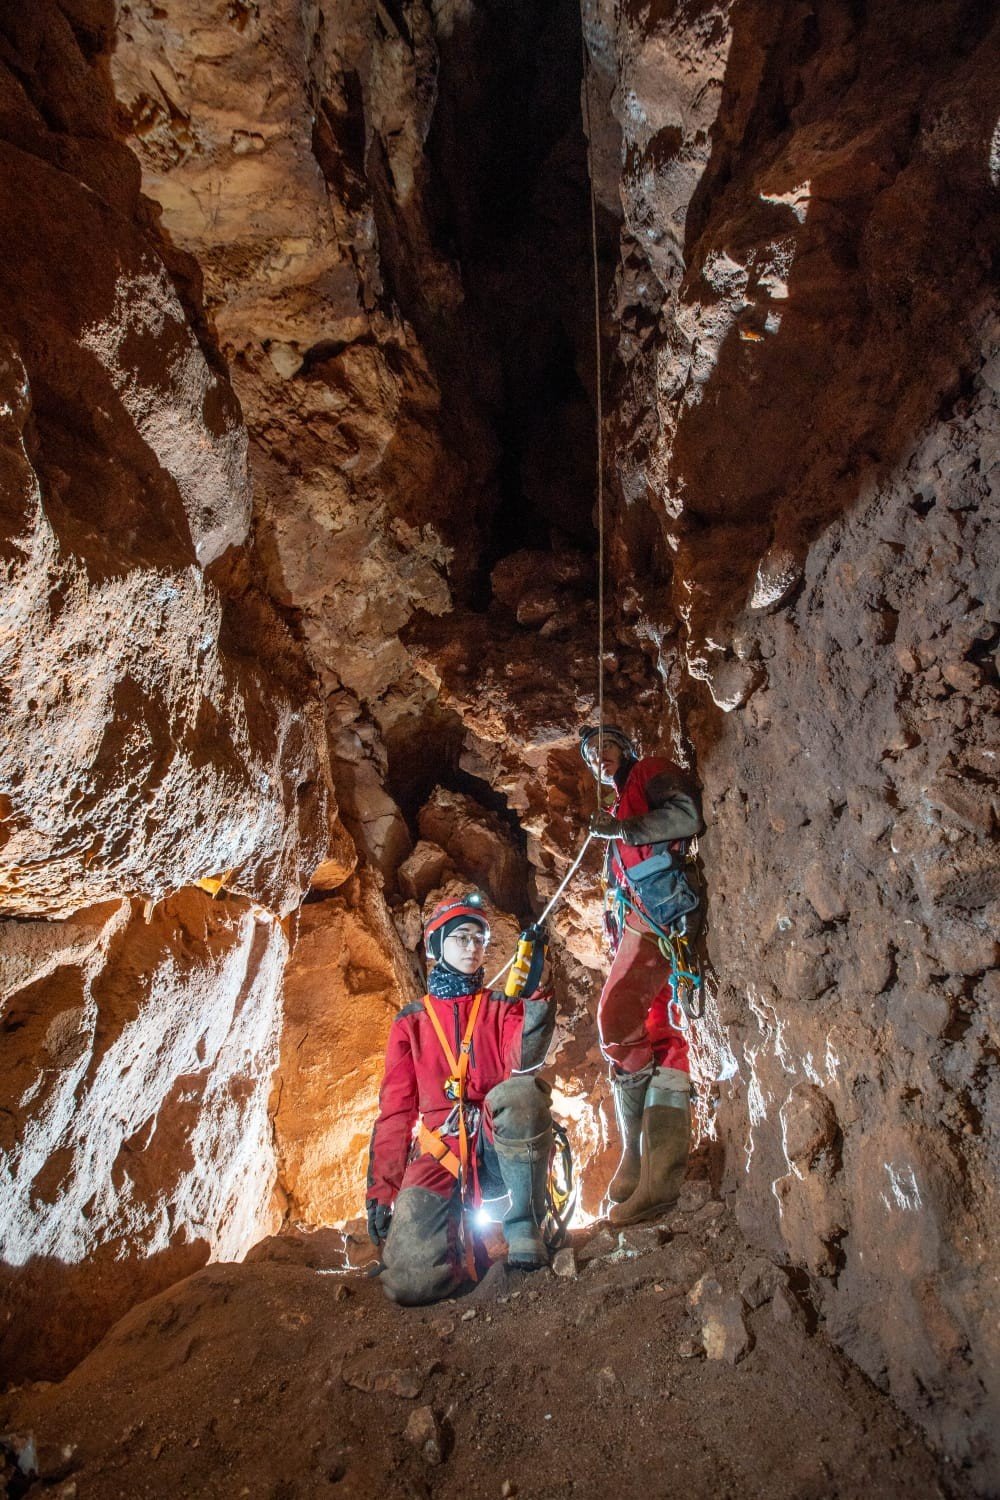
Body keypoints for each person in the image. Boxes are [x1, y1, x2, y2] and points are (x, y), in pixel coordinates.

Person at [365, 894, 556, 1305]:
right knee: (408, 1283)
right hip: (440, 1151)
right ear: (437, 946)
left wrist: (537, 994)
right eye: (462, 937)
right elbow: (396, 1112)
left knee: (520, 1092)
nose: (473, 948)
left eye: (479, 939)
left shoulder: (501, 1008)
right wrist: (383, 1191)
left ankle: (523, 1227)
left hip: (495, 1146)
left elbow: (527, 1058)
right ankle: (460, 1256)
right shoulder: (411, 1022)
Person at [580, 724, 703, 1225]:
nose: (600, 757)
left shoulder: (649, 773)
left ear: (626, 748)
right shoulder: (615, 809)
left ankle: (658, 1176)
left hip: (662, 917)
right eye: (592, 755)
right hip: (642, 917)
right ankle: (639, 1161)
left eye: (606, 746)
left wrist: (624, 831)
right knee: (650, 1033)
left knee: (625, 1018)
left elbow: (686, 815)